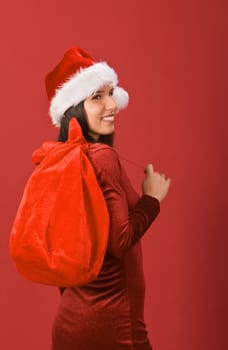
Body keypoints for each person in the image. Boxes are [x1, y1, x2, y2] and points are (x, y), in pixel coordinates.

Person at [45, 46, 171, 350]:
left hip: (72, 321)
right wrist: (151, 199)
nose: (112, 104)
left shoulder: (63, 159)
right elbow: (120, 240)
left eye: (111, 92)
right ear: (74, 108)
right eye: (97, 97)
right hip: (113, 328)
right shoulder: (102, 158)